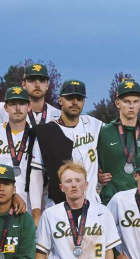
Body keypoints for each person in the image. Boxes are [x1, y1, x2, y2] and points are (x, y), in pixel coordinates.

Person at [27, 79, 104, 225]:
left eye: (79, 98)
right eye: (70, 97)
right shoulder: (47, 132)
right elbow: (37, 174)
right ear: (60, 100)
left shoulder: (94, 124)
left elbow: (119, 129)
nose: (75, 102)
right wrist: (36, 211)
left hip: (92, 207)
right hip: (58, 207)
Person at [96, 80, 140, 205]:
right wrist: (95, 176)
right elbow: (87, 156)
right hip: (110, 200)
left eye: (135, 101)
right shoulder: (103, 132)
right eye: (126, 102)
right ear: (117, 103)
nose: (131, 106)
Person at [0, 86, 43, 208]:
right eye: (13, 104)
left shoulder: (39, 134)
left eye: (22, 103)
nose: (17, 108)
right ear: (5, 107)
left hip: (30, 203)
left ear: (29, 106)